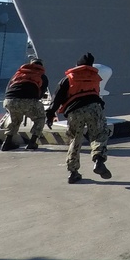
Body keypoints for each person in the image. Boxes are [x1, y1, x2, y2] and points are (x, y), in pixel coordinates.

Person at [46, 53, 111, 184]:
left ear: (77, 64)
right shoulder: (95, 77)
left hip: (74, 111)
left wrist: (50, 114)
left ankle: (73, 172)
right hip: (94, 107)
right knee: (99, 134)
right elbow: (96, 93)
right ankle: (98, 159)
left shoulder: (68, 78)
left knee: (75, 139)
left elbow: (56, 98)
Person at [1, 58, 49, 151]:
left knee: (15, 120)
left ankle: (7, 143)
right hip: (28, 100)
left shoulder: (18, 74)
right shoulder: (42, 76)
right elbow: (40, 94)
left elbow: (8, 89)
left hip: (9, 100)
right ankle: (32, 142)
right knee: (40, 118)